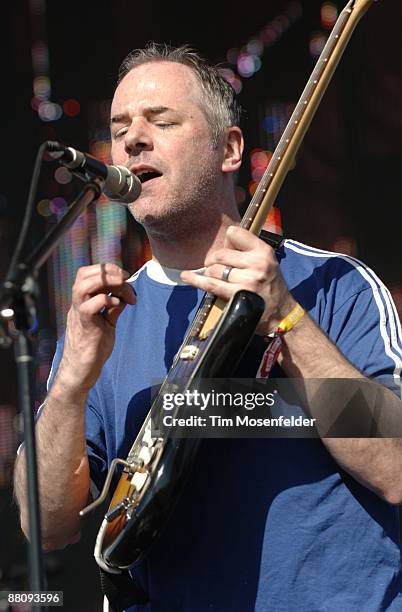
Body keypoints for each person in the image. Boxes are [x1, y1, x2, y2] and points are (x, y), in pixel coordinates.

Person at [14, 43, 402, 611]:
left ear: (230, 148)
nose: (133, 138)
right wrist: (72, 379)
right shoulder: (105, 321)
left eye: (162, 120)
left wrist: (289, 321)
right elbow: (47, 526)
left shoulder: (334, 284)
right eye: (121, 126)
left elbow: (395, 467)